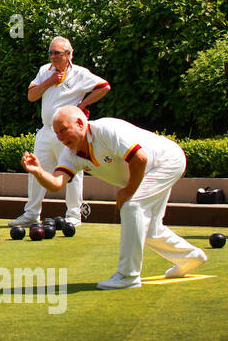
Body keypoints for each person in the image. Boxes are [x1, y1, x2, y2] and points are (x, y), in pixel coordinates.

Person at [22, 105, 207, 290]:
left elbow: (139, 158)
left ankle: (128, 276)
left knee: (132, 206)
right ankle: (190, 258)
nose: (60, 138)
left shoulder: (105, 130)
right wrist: (38, 171)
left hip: (166, 160)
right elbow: (57, 183)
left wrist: (128, 190)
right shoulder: (70, 154)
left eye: (63, 130)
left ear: (79, 124)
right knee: (150, 230)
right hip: (150, 169)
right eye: (57, 133)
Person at [13, 37, 109, 228]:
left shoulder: (80, 73)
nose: (53, 57)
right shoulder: (44, 71)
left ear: (68, 54)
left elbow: (104, 86)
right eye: (51, 53)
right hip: (46, 131)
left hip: (69, 133)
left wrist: (83, 105)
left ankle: (74, 215)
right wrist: (49, 81)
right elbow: (32, 96)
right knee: (36, 170)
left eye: (57, 53)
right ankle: (31, 213)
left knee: (72, 171)